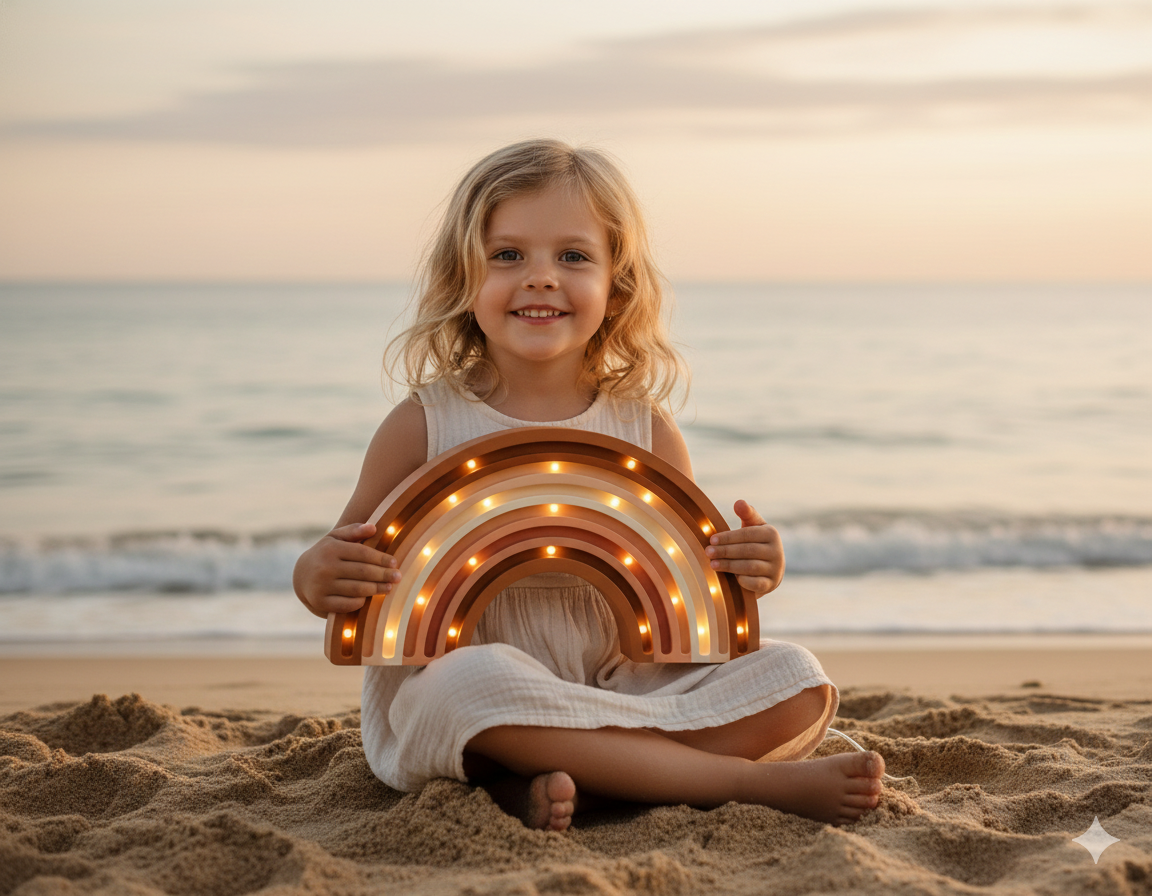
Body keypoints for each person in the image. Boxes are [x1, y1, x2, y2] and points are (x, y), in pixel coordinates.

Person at [294, 139, 884, 831]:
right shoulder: (424, 424)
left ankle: (566, 786)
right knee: (468, 685)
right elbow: (347, 567)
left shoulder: (645, 430)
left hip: (618, 688)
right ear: (464, 279)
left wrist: (749, 569)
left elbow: (686, 606)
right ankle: (736, 783)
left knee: (798, 680)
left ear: (616, 285)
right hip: (472, 697)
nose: (541, 277)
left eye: (573, 257)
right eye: (508, 255)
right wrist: (318, 574)